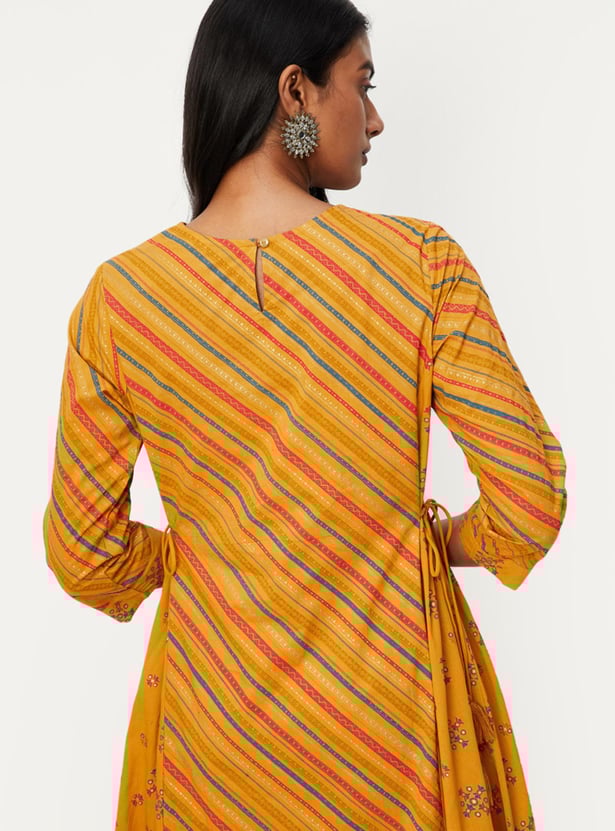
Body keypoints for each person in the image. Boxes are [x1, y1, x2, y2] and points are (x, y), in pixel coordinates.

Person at [42, 0, 567, 828]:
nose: (375, 118)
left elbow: (85, 554)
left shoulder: (122, 301)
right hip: (396, 741)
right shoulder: (418, 265)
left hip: (212, 749)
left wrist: (200, 555)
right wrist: (427, 539)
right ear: (296, 91)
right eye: (362, 84)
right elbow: (528, 502)